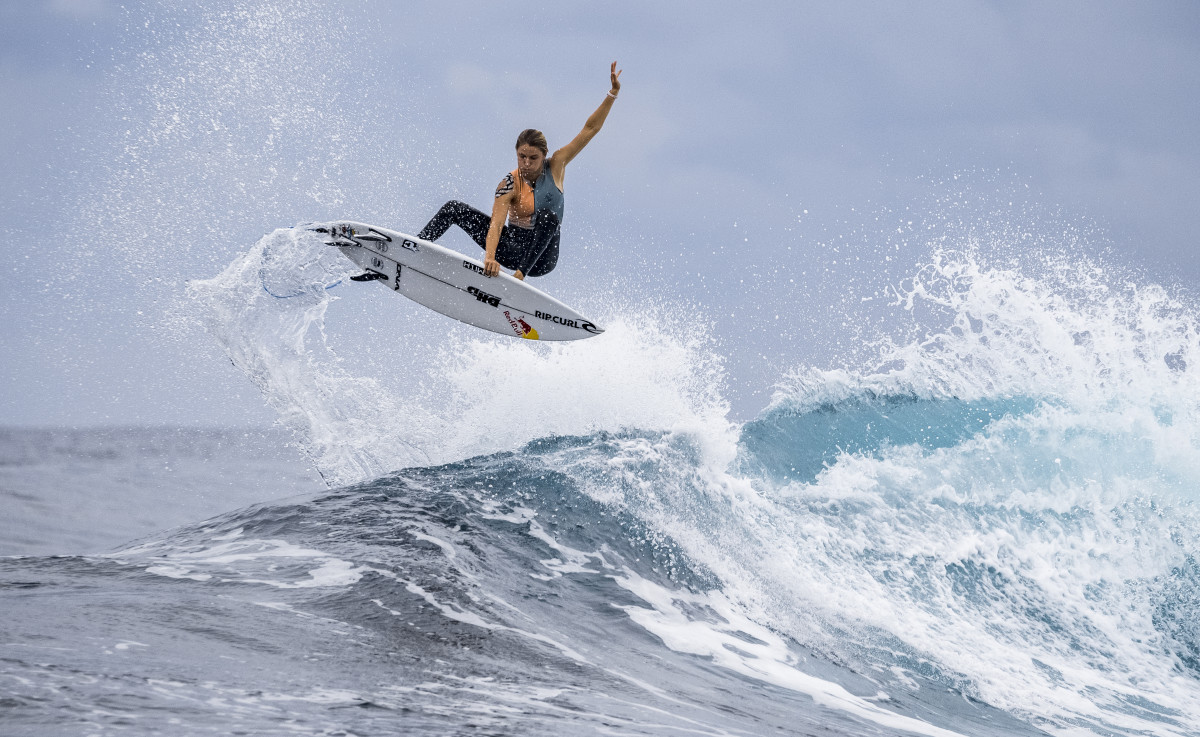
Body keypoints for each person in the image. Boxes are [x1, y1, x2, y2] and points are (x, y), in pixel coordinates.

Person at [417, 62, 622, 281]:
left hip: (542, 257)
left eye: (533, 158)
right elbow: (496, 226)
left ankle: (518, 276)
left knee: (548, 217)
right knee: (453, 208)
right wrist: (490, 258)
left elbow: (589, 130)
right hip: (512, 247)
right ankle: (411, 247)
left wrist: (612, 94)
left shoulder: (556, 166)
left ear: (544, 156)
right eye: (521, 157)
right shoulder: (509, 184)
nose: (526, 163)